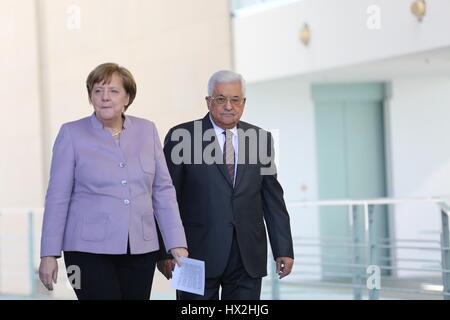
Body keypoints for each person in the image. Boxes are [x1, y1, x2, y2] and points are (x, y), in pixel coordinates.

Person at [38, 62, 188, 300]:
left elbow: (163, 192)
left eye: (114, 91)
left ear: (127, 97)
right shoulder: (71, 133)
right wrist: (48, 253)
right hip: (86, 251)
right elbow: (58, 197)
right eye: (98, 91)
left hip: (140, 249)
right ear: (91, 97)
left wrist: (176, 243)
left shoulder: (147, 130)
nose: (105, 97)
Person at [157, 70, 294, 300]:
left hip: (247, 256)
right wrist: (164, 250)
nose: (229, 106)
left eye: (235, 99)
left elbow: (272, 199)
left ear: (244, 102)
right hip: (193, 255)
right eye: (221, 99)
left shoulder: (260, 139)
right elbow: (165, 198)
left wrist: (283, 249)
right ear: (209, 101)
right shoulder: (182, 136)